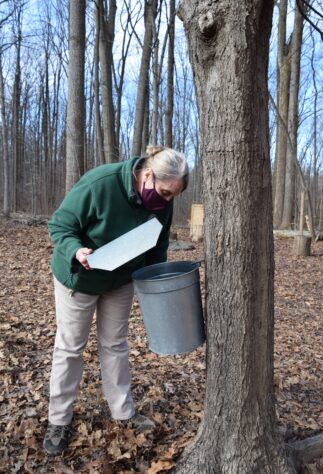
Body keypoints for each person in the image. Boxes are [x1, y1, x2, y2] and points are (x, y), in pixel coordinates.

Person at [43, 146, 189, 455]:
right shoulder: (101, 183)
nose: (165, 201)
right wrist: (76, 250)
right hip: (79, 277)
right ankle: (58, 420)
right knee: (70, 348)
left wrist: (155, 280)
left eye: (172, 196)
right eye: (163, 192)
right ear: (147, 175)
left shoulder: (163, 202)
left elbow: (158, 243)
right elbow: (59, 225)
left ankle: (123, 411)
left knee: (115, 344)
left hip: (122, 278)